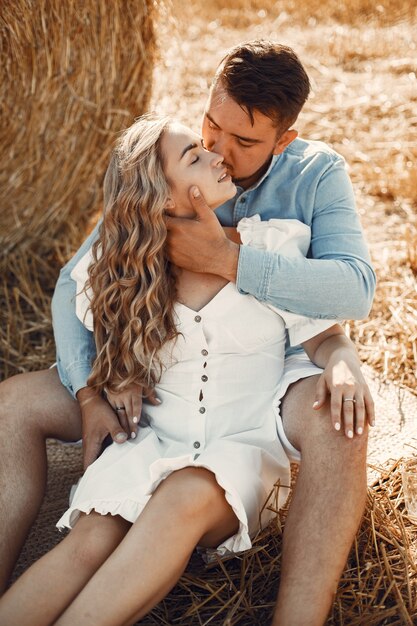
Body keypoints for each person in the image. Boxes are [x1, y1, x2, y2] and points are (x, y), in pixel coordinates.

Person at [0, 40, 375, 624]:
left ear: (284, 141)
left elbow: (351, 293)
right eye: (210, 131)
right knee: (39, 450)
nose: (219, 151)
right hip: (159, 408)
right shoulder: (162, 169)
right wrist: (94, 385)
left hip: (255, 393)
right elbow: (79, 286)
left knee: (338, 422)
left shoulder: (305, 187)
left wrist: (230, 260)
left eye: (244, 142)